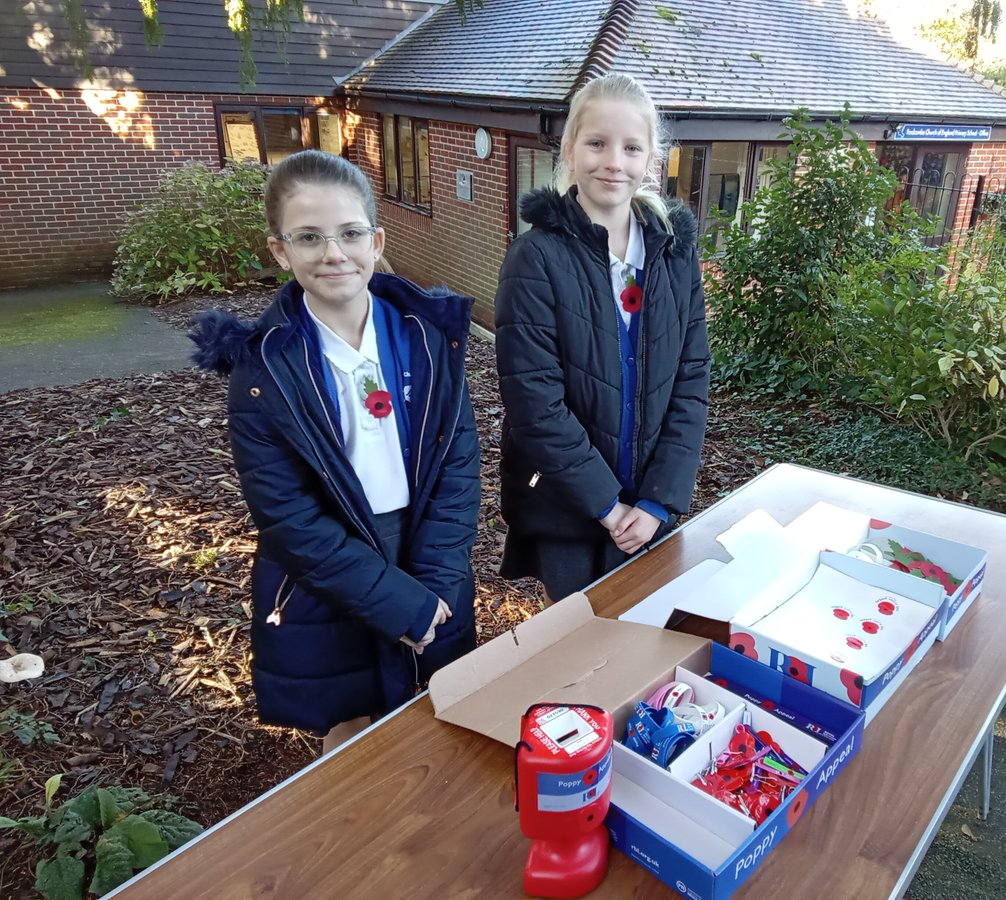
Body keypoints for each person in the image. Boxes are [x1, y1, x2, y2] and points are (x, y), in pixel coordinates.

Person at [190, 150, 480, 754]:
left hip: (425, 547)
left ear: (375, 240)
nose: (333, 253)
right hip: (328, 571)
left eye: (349, 234)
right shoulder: (262, 369)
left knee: (436, 709)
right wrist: (398, 603)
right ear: (280, 250)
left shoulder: (426, 339)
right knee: (350, 730)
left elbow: (458, 464)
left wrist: (430, 586)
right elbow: (286, 515)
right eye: (309, 237)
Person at [495, 73, 711, 602]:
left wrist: (659, 501)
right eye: (597, 143)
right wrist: (608, 507)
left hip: (649, 509)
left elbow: (691, 380)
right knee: (579, 659)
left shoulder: (674, 257)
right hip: (568, 510)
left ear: (651, 160)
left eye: (631, 147)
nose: (614, 161)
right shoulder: (535, 259)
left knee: (643, 649)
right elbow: (534, 402)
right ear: (569, 149)